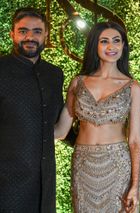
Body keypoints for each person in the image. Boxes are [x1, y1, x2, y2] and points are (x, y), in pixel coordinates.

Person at [54, 21, 140, 213]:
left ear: (123, 46)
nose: (111, 46)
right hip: (83, 165)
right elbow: (61, 130)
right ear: (95, 45)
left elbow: (135, 140)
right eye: (104, 41)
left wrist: (135, 185)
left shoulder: (133, 87)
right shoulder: (78, 83)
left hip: (117, 165)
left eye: (116, 41)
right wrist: (22, 130)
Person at [0, 7, 64, 212]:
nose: (30, 37)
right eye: (23, 31)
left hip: (44, 183)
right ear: (12, 35)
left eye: (37, 31)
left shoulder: (54, 75)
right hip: (6, 183)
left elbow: (60, 127)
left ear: (46, 35)